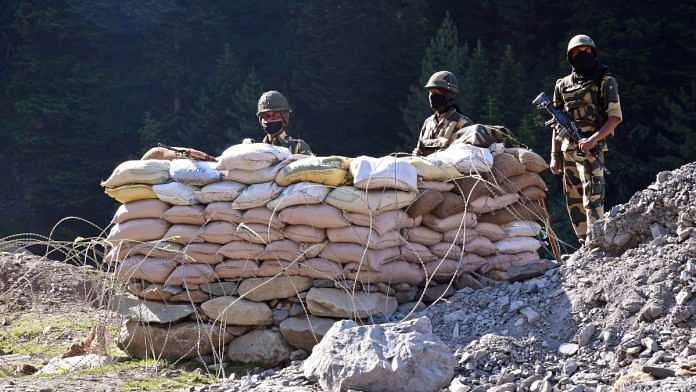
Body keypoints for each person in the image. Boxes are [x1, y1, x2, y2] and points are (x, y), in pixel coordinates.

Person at [549, 34, 622, 244]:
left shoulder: (605, 81)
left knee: (593, 198)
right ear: (570, 57)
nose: (583, 55)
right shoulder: (562, 85)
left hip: (592, 148)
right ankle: (583, 242)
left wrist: (593, 139)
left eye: (587, 51)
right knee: (573, 198)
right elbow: (556, 122)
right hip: (568, 149)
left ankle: (597, 242)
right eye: (577, 53)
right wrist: (555, 155)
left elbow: (615, 118)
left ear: (594, 53)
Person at [412, 71, 473, 157]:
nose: (432, 96)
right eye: (430, 92)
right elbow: (419, 149)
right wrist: (417, 153)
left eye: (436, 93)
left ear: (449, 95)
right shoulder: (428, 123)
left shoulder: (462, 123)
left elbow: (468, 158)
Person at [253, 90, 312, 155]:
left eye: (276, 115)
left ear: (284, 119)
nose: (270, 119)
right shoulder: (257, 149)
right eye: (266, 116)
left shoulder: (298, 147)